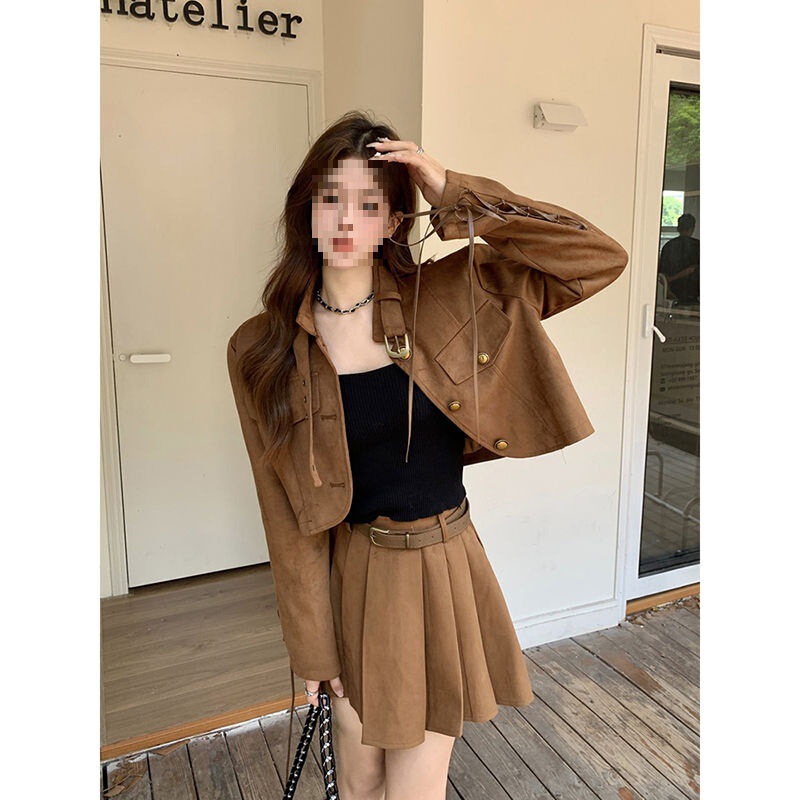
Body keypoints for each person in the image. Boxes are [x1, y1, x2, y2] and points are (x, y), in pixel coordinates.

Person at [226, 111, 628, 799]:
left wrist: (454, 192)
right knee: (359, 780)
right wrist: (312, 647)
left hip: (444, 566)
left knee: (416, 785)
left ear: (392, 220)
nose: (346, 219)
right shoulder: (261, 348)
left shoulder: (448, 297)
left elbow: (595, 256)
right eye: (331, 197)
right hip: (352, 577)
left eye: (368, 203)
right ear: (307, 209)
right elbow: (284, 514)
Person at [658, 212, 700, 304]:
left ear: (678, 228)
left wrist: (668, 290)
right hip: (692, 296)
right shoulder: (698, 246)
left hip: (672, 295)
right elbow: (693, 269)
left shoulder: (668, 246)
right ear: (692, 229)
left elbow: (662, 275)